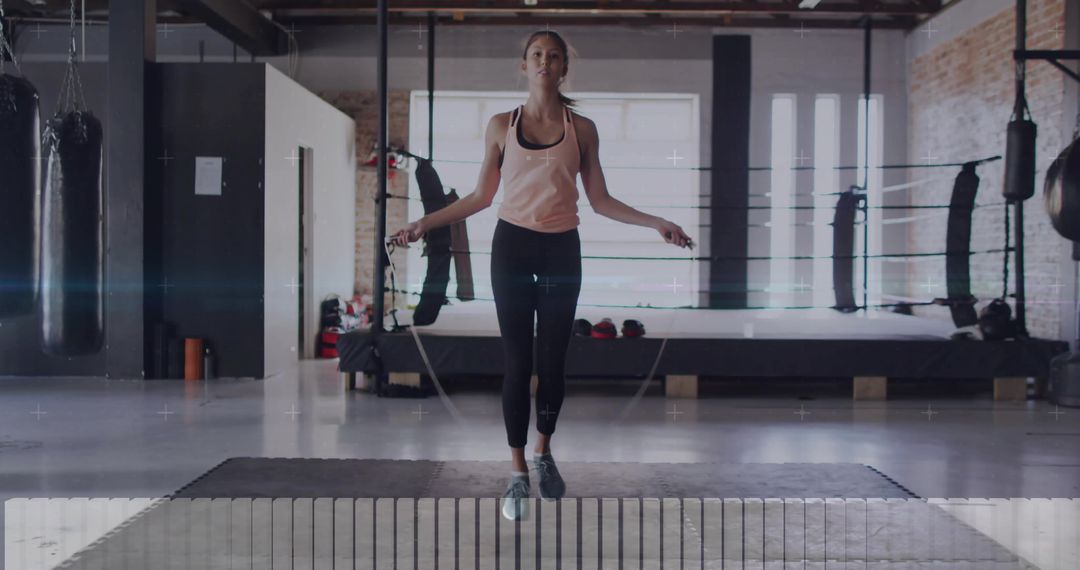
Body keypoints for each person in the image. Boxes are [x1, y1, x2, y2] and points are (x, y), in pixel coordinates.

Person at [390, 30, 693, 521]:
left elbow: (601, 201)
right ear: (524, 65)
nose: (545, 62)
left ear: (564, 68)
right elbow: (479, 198)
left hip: (560, 252)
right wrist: (425, 222)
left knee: (552, 362)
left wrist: (657, 222)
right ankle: (515, 473)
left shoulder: (584, 129)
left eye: (554, 56)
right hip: (511, 249)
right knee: (517, 360)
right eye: (537, 55)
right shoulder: (499, 125)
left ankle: (543, 451)